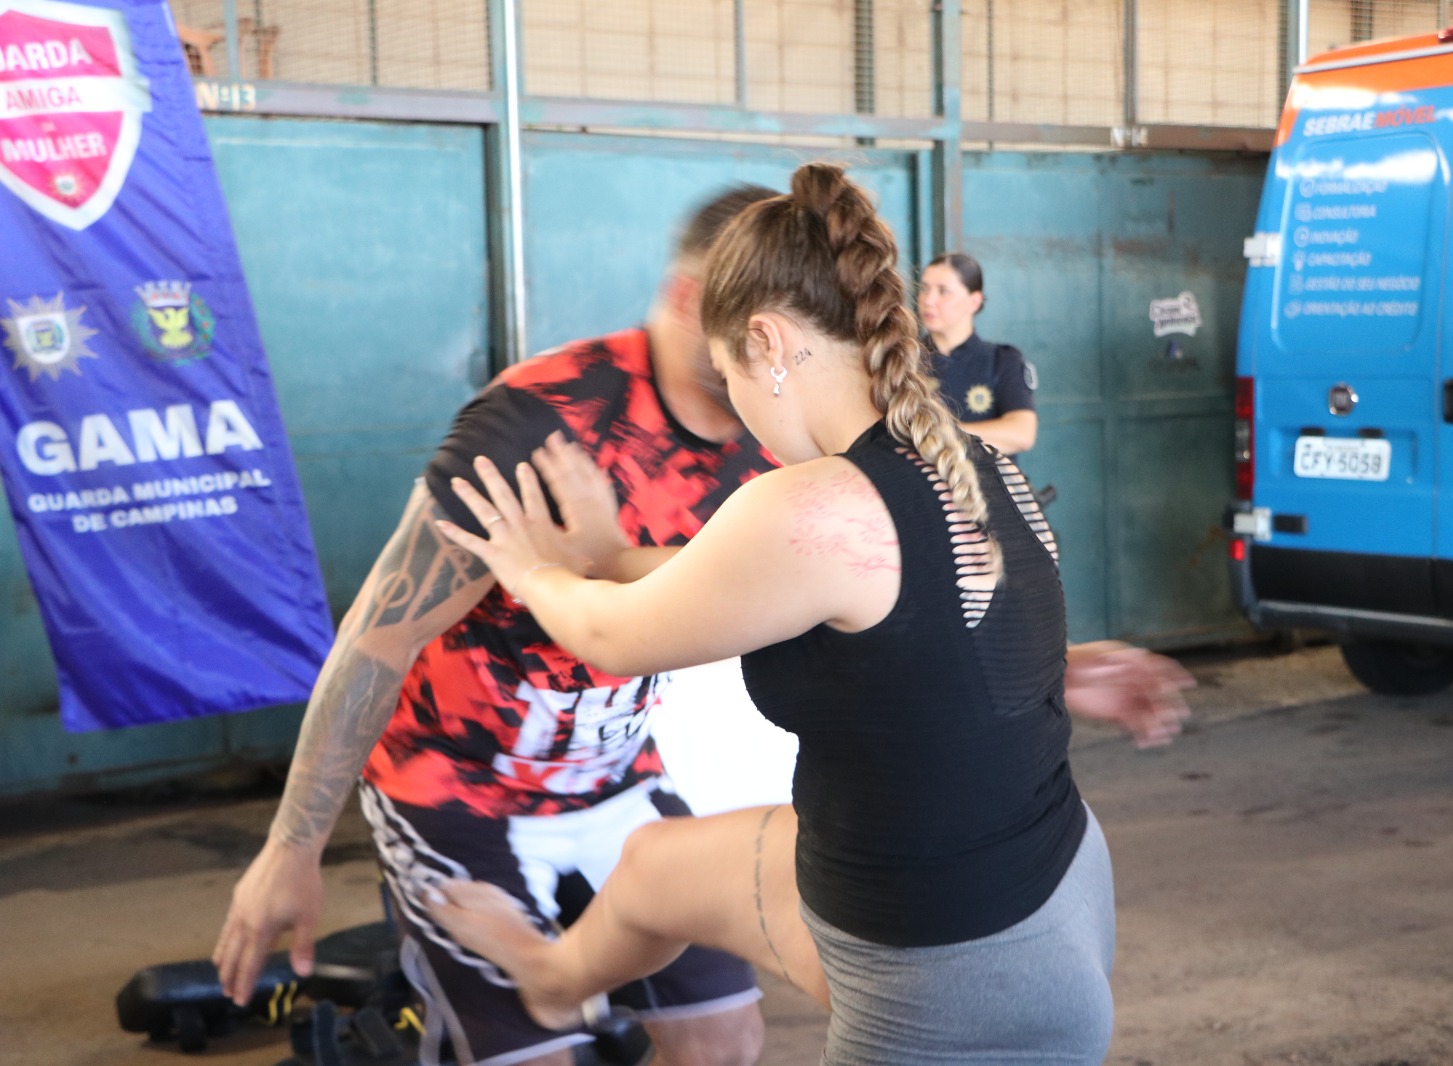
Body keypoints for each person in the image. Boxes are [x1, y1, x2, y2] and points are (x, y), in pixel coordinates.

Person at [423, 163, 1193, 1064]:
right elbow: (835, 602)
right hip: (1044, 884)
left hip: (956, 976)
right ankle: (554, 981)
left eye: (727, 373)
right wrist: (605, 555)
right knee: (650, 873)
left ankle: (552, 984)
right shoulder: (971, 466)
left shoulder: (812, 504)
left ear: (768, 341)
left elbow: (607, 637)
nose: (738, 411)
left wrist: (530, 566)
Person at [212, 184, 783, 1066]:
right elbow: (380, 635)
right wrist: (293, 846)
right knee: (535, 1055)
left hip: (617, 777)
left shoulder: (778, 429)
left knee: (722, 1037)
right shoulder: (546, 422)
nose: (779, 360)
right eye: (761, 335)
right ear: (689, 298)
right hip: (457, 792)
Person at [918, 252, 1038, 455]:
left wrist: (943, 433)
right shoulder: (905, 359)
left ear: (974, 301)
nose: (928, 300)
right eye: (924, 289)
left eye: (943, 291)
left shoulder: (1002, 360)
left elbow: (1022, 434)